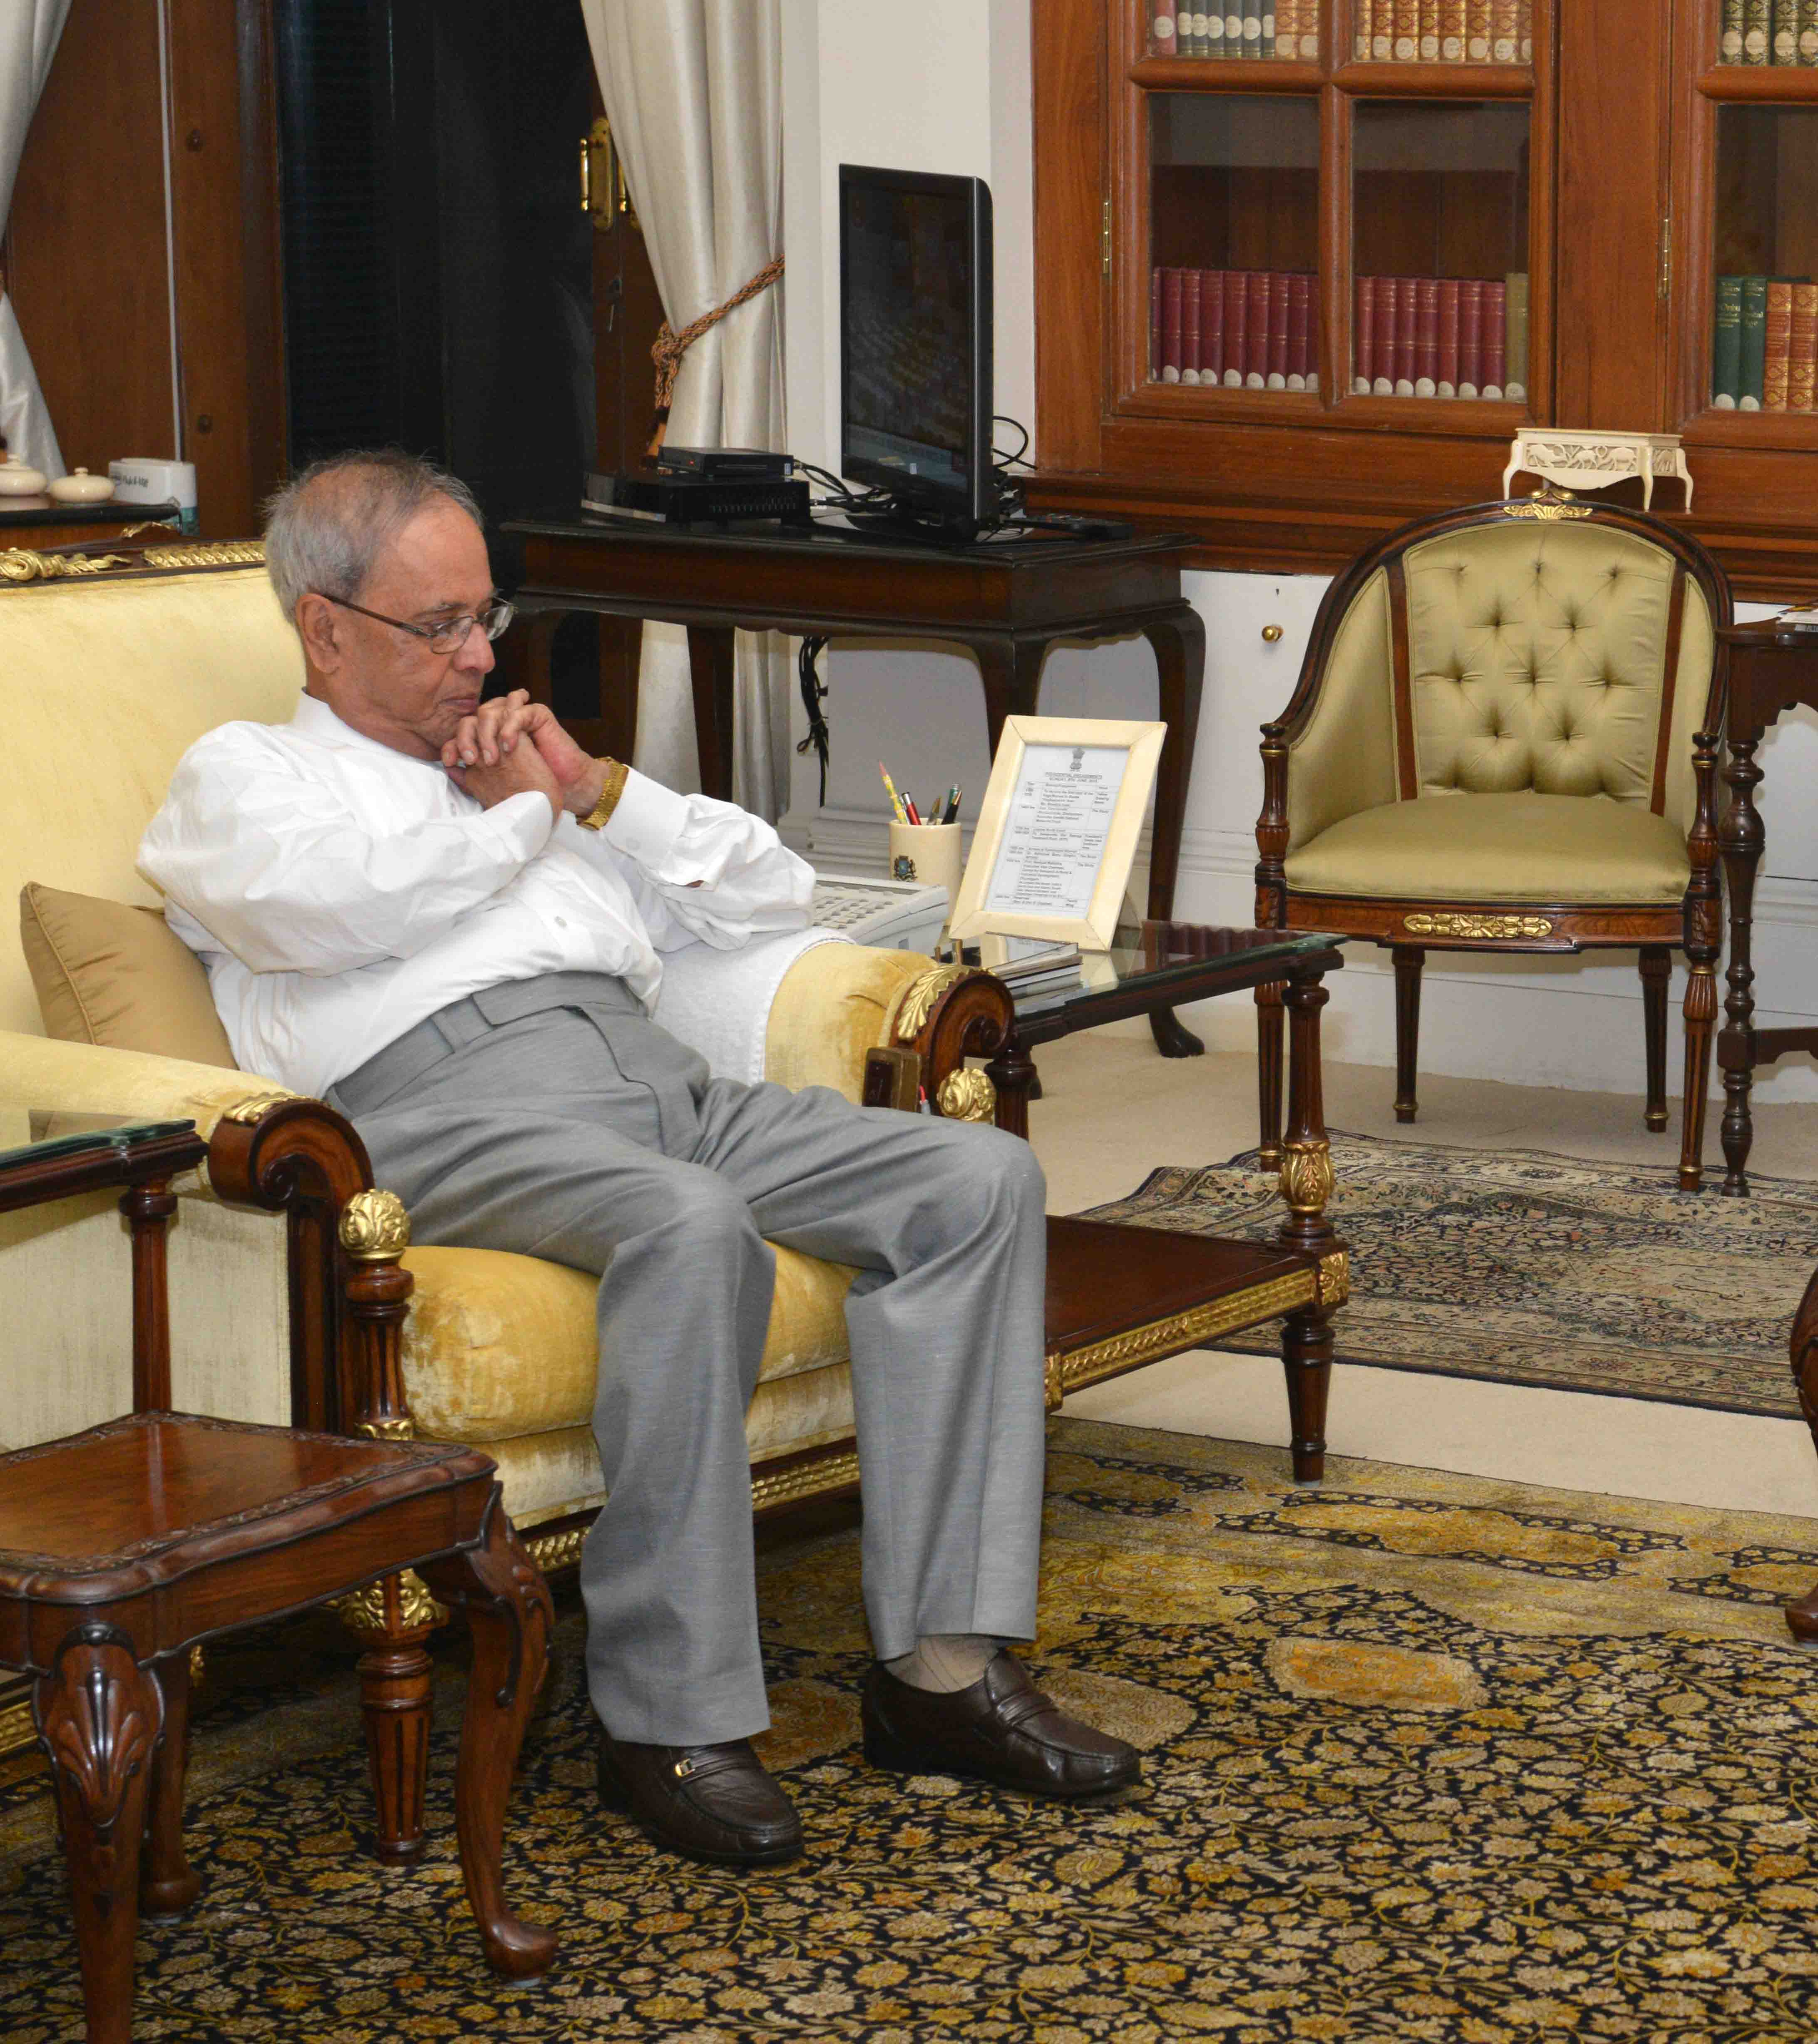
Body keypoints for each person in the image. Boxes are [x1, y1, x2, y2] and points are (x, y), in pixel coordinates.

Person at [139, 450, 1140, 1865]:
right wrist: (521, 826)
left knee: (975, 1184)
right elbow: (332, 915)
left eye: (489, 618)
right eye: (441, 629)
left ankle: (942, 1674)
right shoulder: (250, 776)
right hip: (445, 1107)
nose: (479, 657)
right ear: (322, 627)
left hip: (653, 1077)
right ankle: (667, 1719)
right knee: (686, 1224)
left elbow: (768, 893)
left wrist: (597, 787)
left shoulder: (528, 780)